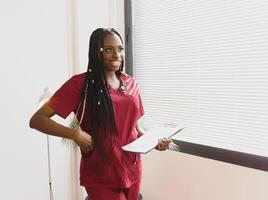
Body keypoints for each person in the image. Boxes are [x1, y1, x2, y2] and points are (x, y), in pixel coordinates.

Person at [29, 28, 171, 200]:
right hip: (101, 172)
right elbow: (37, 120)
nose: (116, 54)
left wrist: (154, 141)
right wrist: (75, 134)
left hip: (132, 168)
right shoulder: (80, 84)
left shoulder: (131, 83)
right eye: (108, 49)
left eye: (120, 49)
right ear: (96, 52)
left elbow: (135, 129)